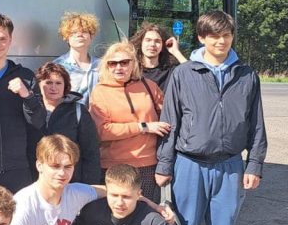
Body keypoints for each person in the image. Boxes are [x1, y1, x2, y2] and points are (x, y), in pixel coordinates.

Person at [156, 11, 267, 225]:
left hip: (229, 166)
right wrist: (164, 165)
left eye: (226, 35)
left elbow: (256, 124)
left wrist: (254, 163)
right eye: (214, 36)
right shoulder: (184, 73)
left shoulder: (246, 75)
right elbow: (170, 121)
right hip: (189, 164)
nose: (221, 41)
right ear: (202, 38)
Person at [0, 12, 46, 193]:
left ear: (10, 40)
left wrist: (27, 95)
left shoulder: (25, 76)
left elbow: (38, 121)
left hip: (18, 169)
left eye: (3, 39)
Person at [88, 41, 168, 203]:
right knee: (116, 212)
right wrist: (143, 127)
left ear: (134, 64)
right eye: (113, 63)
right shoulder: (100, 91)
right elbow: (102, 131)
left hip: (147, 164)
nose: (119, 67)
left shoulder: (149, 86)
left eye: (124, 62)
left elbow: (167, 118)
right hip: (113, 165)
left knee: (145, 213)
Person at [30, 61, 102, 185]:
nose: (53, 87)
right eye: (48, 82)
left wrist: (89, 186)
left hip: (70, 181)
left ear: (65, 85)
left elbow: (91, 152)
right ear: (39, 84)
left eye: (58, 83)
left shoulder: (78, 111)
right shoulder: (29, 109)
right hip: (36, 180)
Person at [54, 11, 101, 105]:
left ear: (91, 37)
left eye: (84, 31)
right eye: (74, 32)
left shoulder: (101, 66)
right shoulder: (58, 66)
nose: (80, 35)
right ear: (66, 37)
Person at [130, 22, 186, 92]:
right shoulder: (132, 70)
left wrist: (176, 52)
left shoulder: (170, 71)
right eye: (148, 40)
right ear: (141, 43)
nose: (152, 44)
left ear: (163, 45)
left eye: (157, 41)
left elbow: (192, 75)